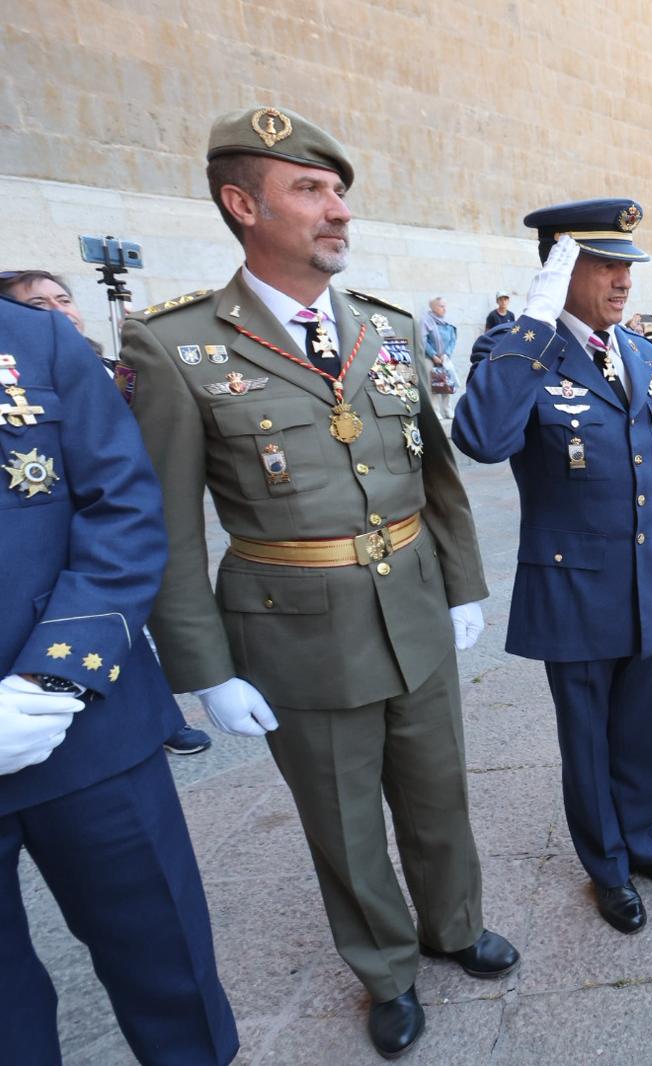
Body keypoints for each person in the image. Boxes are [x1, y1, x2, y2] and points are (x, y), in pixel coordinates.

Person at [116, 106, 515, 1059]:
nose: (337, 210)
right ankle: (384, 965)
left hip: (412, 603)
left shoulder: (387, 327)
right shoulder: (175, 348)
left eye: (339, 191)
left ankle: (453, 924)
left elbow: (437, 475)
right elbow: (168, 526)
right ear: (241, 204)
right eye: (311, 190)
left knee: (437, 790)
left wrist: (463, 583)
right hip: (293, 629)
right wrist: (205, 670)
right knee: (341, 816)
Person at [452, 202, 652, 935]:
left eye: (628, 265)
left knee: (641, 730)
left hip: (646, 579)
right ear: (559, 268)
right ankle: (609, 866)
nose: (623, 280)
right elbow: (483, 437)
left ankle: (646, 842)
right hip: (574, 585)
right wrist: (531, 324)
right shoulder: (519, 351)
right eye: (604, 264)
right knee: (589, 740)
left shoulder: (645, 353)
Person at [1, 295, 238, 1065]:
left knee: (165, 964)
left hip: (83, 723)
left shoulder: (32, 338)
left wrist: (52, 679)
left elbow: (125, 507)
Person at [0, 270, 213, 755]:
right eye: (38, 303)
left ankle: (163, 719)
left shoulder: (106, 363)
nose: (59, 310)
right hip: (65, 569)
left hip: (120, 547)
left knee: (129, 635)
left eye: (64, 298)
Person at [423, 296, 459, 421]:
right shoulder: (425, 320)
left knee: (447, 383)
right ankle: (435, 410)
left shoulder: (448, 321)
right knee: (433, 384)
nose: (444, 309)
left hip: (445, 358)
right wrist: (433, 355)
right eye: (441, 306)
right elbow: (423, 340)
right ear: (433, 307)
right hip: (430, 357)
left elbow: (453, 340)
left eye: (445, 306)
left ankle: (447, 409)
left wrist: (446, 355)